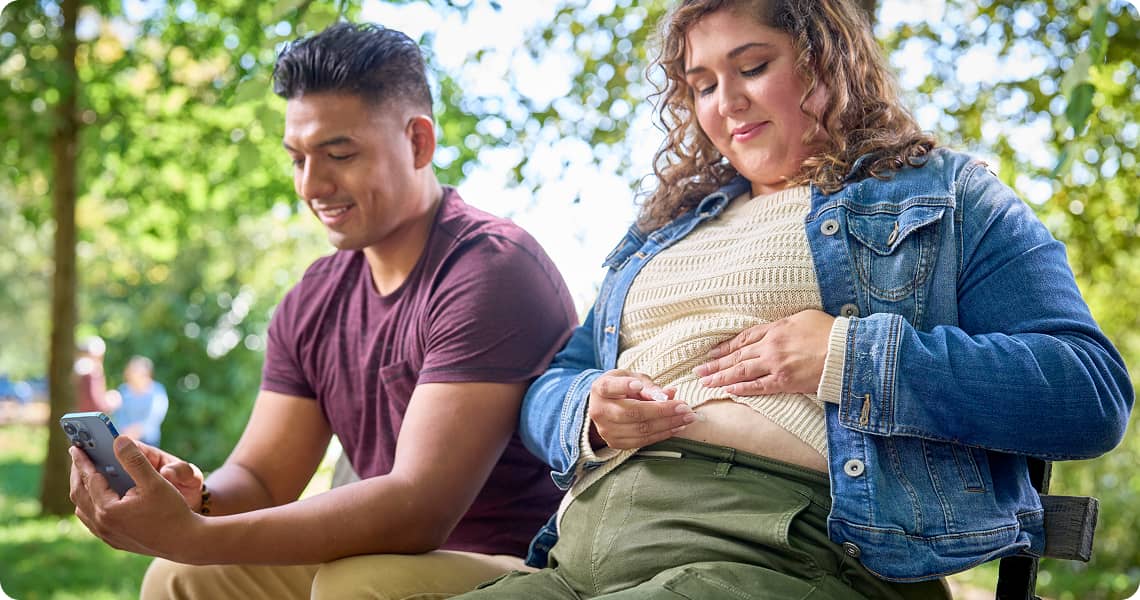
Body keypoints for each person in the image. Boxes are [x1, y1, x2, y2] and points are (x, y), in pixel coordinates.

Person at [458, 1, 1134, 598]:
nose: (725, 104)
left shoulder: (947, 195)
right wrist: (590, 412)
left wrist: (847, 355)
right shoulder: (658, 234)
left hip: (787, 553)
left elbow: (1089, 393)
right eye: (701, 86)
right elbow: (550, 388)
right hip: (578, 554)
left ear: (824, 60)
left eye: (751, 67)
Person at [68, 22, 578, 600]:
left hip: (520, 563)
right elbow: (260, 479)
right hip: (383, 556)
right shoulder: (314, 299)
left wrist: (195, 536)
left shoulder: (490, 270)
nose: (312, 185)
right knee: (177, 577)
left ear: (418, 143)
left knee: (356, 584)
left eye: (339, 153)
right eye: (297, 158)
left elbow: (417, 508)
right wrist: (192, 498)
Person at [112, 356, 169, 447]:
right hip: (125, 438)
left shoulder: (157, 390)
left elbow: (156, 414)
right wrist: (125, 430)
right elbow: (119, 414)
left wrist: (139, 430)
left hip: (149, 440)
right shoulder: (123, 390)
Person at [73, 336, 115, 414]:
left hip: (80, 416)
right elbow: (95, 400)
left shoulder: (78, 370)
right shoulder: (92, 372)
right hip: (91, 418)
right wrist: (108, 404)